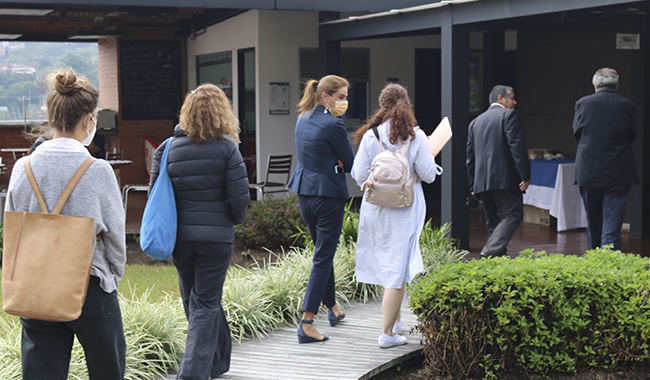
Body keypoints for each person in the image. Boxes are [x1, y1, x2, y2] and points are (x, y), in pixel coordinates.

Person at [4, 68, 126, 379]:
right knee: (107, 370)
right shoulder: (98, 171)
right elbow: (115, 240)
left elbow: (13, 229)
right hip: (90, 285)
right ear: (88, 120)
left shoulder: (23, 168)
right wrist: (113, 274)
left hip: (37, 286)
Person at [149, 83, 250, 379]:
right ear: (223, 112)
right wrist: (231, 220)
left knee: (195, 298)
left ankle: (217, 362)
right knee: (206, 301)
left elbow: (156, 195)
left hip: (180, 238)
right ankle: (192, 374)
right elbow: (239, 199)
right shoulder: (228, 149)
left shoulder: (166, 149)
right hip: (216, 238)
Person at [351, 83, 438, 348]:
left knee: (387, 264)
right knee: (396, 270)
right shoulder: (416, 136)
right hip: (405, 208)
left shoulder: (371, 135)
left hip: (375, 208)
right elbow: (429, 175)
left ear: (382, 104)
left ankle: (396, 322)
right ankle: (387, 333)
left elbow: (358, 174)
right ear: (406, 103)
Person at [287, 75, 355, 343]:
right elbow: (350, 163)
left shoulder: (302, 119)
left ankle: (333, 309)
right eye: (341, 97)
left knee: (321, 254)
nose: (345, 102)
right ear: (325, 96)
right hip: (329, 196)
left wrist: (335, 159)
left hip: (305, 194)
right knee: (323, 257)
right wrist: (340, 161)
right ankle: (306, 322)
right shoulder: (334, 125)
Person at [573, 68, 639, 250]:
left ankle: (594, 259)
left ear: (595, 85)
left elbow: (577, 133)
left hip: (588, 169)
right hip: (619, 169)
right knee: (613, 223)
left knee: (593, 220)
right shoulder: (627, 105)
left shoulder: (582, 103)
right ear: (617, 86)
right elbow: (631, 134)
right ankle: (608, 264)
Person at [466, 85, 530, 258]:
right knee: (513, 214)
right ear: (500, 98)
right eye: (512, 98)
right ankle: (490, 251)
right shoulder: (508, 115)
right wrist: (525, 175)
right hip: (504, 178)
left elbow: (470, 157)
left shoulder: (475, 122)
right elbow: (516, 147)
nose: (515, 102)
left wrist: (473, 184)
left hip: (481, 180)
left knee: (494, 221)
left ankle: (496, 262)